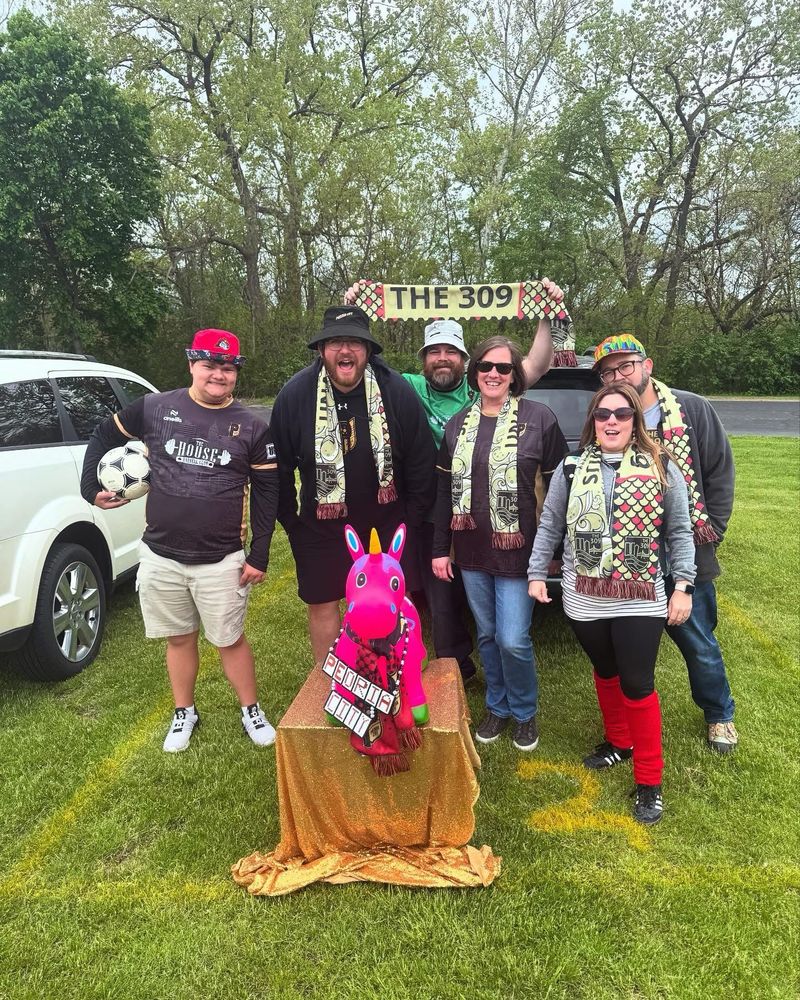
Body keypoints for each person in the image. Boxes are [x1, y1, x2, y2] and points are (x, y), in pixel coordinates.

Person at [343, 278, 563, 684]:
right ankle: (456, 669)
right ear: (423, 359)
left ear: (465, 360)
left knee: (486, 597)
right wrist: (353, 314)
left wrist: (546, 314)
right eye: (434, 352)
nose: (442, 359)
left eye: (451, 352)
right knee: (441, 595)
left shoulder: (482, 388)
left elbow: (534, 363)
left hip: (491, 512)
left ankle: (500, 668)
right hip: (436, 505)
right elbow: (363, 365)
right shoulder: (408, 387)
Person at [80, 329, 279, 753]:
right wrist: (88, 488)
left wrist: (259, 552)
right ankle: (184, 712)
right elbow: (103, 435)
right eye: (209, 365)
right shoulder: (154, 407)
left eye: (228, 368)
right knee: (179, 638)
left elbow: (267, 493)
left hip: (221, 558)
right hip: (161, 555)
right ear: (191, 365)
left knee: (230, 640)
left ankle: (251, 710)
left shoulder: (252, 426)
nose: (218, 375)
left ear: (236, 373)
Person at [528, 382, 696, 825]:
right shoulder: (570, 469)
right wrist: (536, 572)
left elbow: (679, 531)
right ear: (593, 421)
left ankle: (649, 781)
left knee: (637, 683)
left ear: (635, 421)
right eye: (603, 414)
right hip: (584, 595)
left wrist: (683, 586)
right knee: (605, 669)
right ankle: (620, 742)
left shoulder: (662, 466)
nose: (612, 421)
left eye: (622, 414)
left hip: (640, 595)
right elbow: (551, 524)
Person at [590, 334, 738, 754]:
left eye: (626, 366)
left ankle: (719, 713)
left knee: (698, 640)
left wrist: (712, 530)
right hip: (630, 556)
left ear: (647, 365)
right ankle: (627, 720)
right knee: (627, 646)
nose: (618, 376)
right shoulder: (611, 418)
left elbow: (720, 471)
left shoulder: (691, 409)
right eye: (608, 372)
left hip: (683, 550)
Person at [269, 305, 436, 667]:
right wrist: (293, 524)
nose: (345, 351)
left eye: (355, 343)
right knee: (323, 602)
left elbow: (421, 462)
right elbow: (277, 469)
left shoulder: (395, 391)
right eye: (335, 343)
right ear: (321, 349)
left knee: (393, 601)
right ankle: (332, 680)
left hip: (388, 523)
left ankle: (393, 678)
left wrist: (411, 520)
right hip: (321, 525)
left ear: (368, 350)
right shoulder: (295, 395)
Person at [432, 336, 567, 751]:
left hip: (522, 553)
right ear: (475, 371)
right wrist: (440, 549)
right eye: (486, 366)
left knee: (513, 638)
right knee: (488, 635)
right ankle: (498, 706)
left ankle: (524, 712)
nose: (493, 373)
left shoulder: (540, 420)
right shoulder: (457, 424)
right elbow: (443, 492)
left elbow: (560, 492)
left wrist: (554, 553)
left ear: (514, 376)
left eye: (503, 368)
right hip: (471, 551)